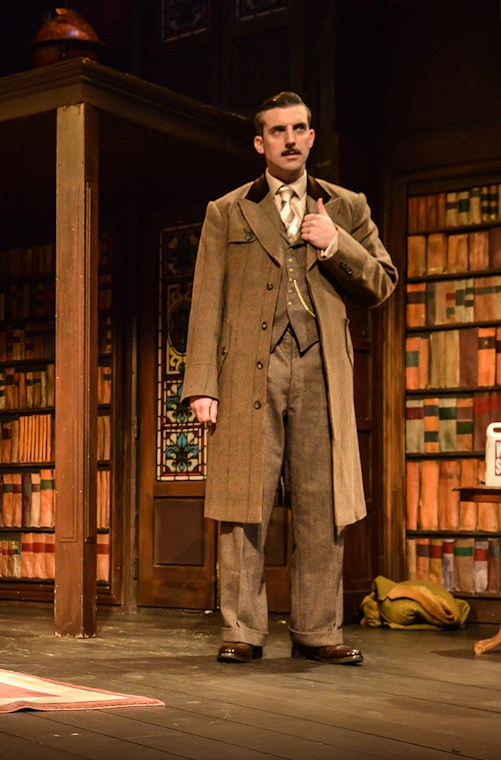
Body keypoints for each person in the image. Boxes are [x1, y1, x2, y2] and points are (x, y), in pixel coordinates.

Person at [182, 91, 396, 666]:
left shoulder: (345, 205)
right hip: (249, 368)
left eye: (300, 128)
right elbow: (207, 300)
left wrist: (335, 244)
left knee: (321, 500)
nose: (291, 139)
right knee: (241, 500)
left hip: (321, 366)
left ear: (311, 137)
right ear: (261, 142)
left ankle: (318, 630)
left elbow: (382, 282)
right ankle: (244, 631)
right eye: (278, 131)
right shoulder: (228, 209)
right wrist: (202, 383)